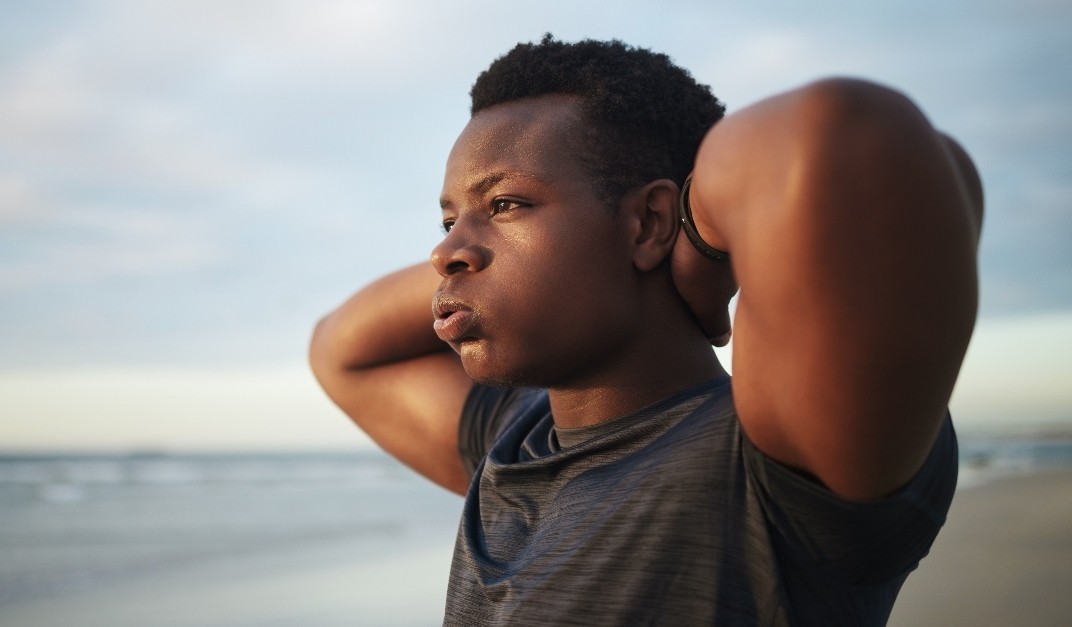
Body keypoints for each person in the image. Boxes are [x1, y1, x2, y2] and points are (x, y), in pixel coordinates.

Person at [309, 35, 982, 626]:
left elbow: (843, 138)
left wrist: (704, 240)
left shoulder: (775, 465)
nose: (445, 251)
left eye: (505, 203)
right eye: (448, 219)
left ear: (648, 223)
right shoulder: (512, 439)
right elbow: (339, 348)